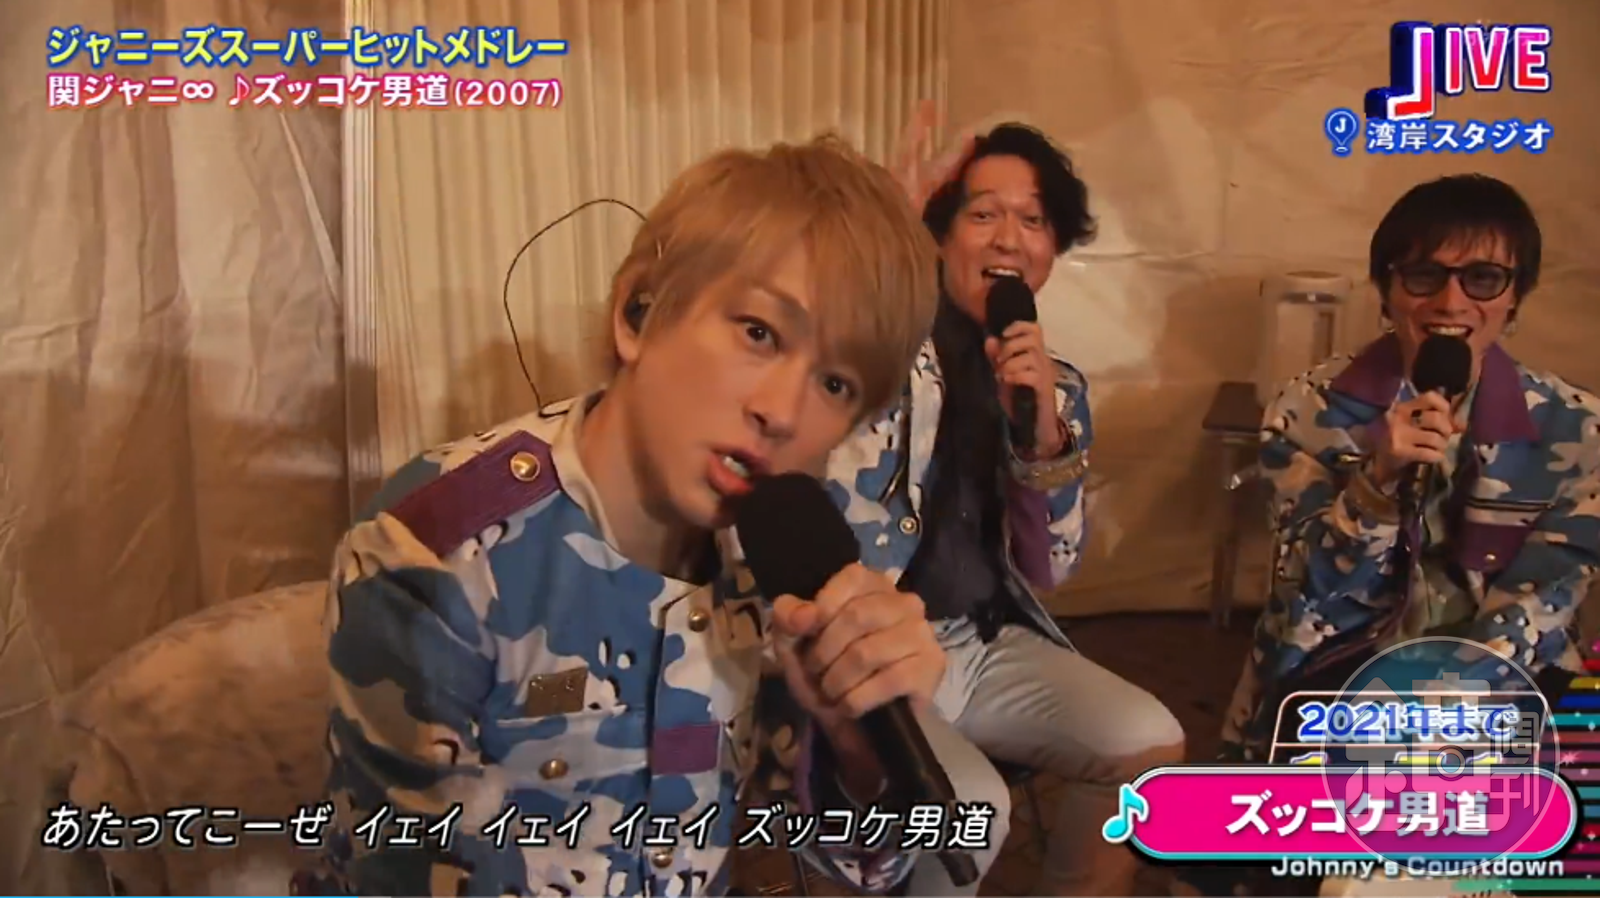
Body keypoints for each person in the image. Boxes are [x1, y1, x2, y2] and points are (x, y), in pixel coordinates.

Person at [297, 136, 1006, 897]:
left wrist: (856, 752)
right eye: (759, 333)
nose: (781, 411)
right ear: (639, 312)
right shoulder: (436, 556)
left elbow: (850, 860)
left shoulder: (784, 553)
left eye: (835, 384)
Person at [1193, 175, 1600, 894]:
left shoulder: (1577, 427)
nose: (1451, 302)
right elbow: (1307, 595)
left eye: (1482, 278)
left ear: (1514, 296)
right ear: (1386, 291)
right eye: (1423, 276)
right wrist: (1376, 484)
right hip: (1335, 672)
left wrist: (1444, 703)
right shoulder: (1309, 409)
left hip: (1504, 684)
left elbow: (1546, 597)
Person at [827, 116, 1187, 896]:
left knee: (1149, 744)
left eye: (1033, 220)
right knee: (971, 812)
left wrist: (1043, 437)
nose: (1008, 240)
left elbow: (1050, 569)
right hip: (872, 655)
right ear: (939, 234)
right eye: (983, 213)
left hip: (985, 643)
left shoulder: (1056, 386)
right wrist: (879, 235)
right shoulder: (875, 346)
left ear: (1053, 248)